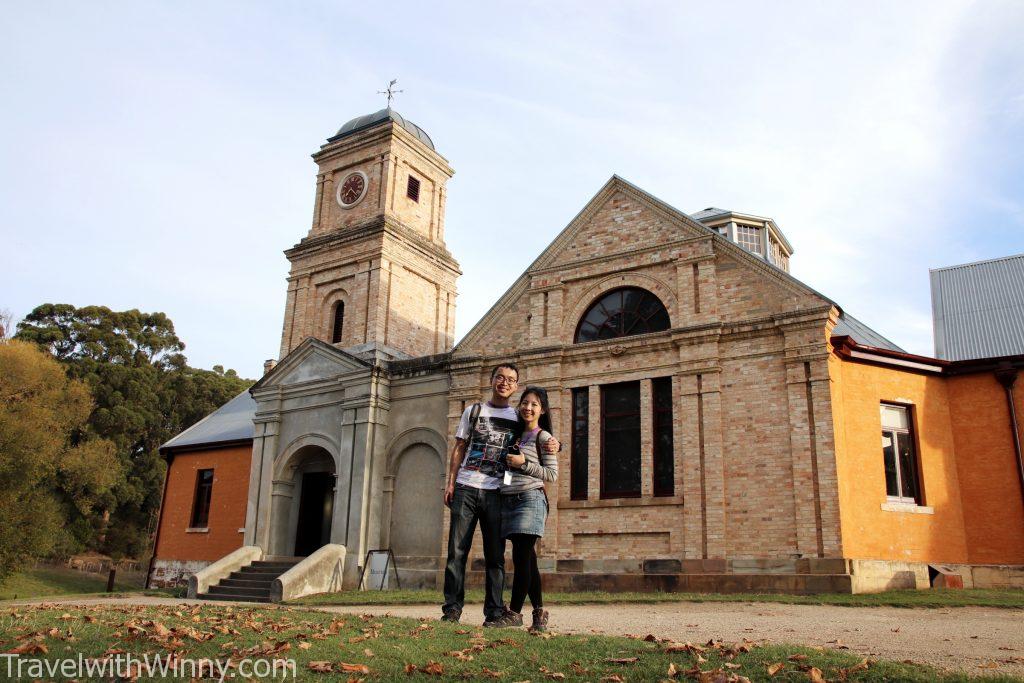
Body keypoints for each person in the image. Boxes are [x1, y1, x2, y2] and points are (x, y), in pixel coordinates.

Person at [441, 363, 559, 625]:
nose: (504, 382)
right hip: (466, 487)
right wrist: (450, 482)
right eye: (500, 378)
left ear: (515, 386)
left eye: (510, 380)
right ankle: (451, 610)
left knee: (495, 556)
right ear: (492, 380)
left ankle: (494, 611)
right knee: (457, 552)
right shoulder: (473, 411)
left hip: (498, 492)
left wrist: (555, 443)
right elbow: (459, 447)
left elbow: (536, 432)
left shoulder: (518, 417)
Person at [487, 385, 558, 631]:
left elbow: (551, 475)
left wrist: (525, 463)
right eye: (525, 403)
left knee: (520, 557)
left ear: (543, 409)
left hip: (531, 499)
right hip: (510, 500)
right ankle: (539, 613)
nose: (528, 408)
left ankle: (515, 613)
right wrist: (503, 486)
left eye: (534, 404)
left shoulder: (545, 438)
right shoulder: (515, 436)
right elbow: (509, 471)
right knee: (529, 560)